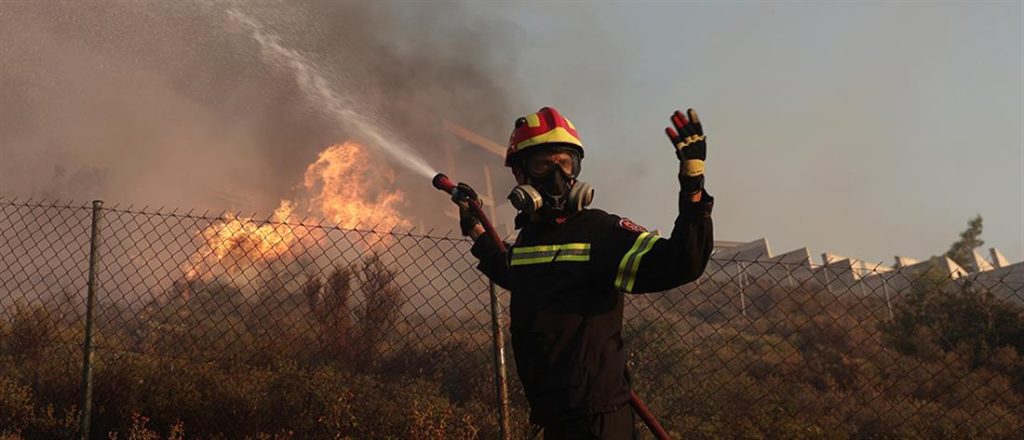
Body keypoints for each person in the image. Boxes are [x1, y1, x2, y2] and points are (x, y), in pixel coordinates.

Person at [452, 106, 714, 439]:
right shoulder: (530, 240)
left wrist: (692, 188)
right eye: (543, 164)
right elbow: (512, 272)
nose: (557, 176)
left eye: (565, 163)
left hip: (598, 422)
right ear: (520, 174)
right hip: (554, 418)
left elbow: (682, 262)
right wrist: (475, 229)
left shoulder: (602, 233)